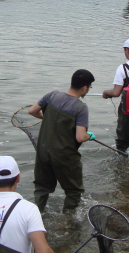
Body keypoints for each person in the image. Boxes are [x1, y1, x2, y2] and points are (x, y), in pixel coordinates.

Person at [28, 69, 95, 212]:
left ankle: (35, 216)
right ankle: (68, 223)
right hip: (64, 156)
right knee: (73, 191)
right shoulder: (81, 108)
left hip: (43, 151)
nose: (88, 90)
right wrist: (90, 135)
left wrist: (46, 117)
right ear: (84, 88)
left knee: (41, 187)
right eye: (89, 87)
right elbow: (80, 137)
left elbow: (32, 111)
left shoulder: (51, 96)